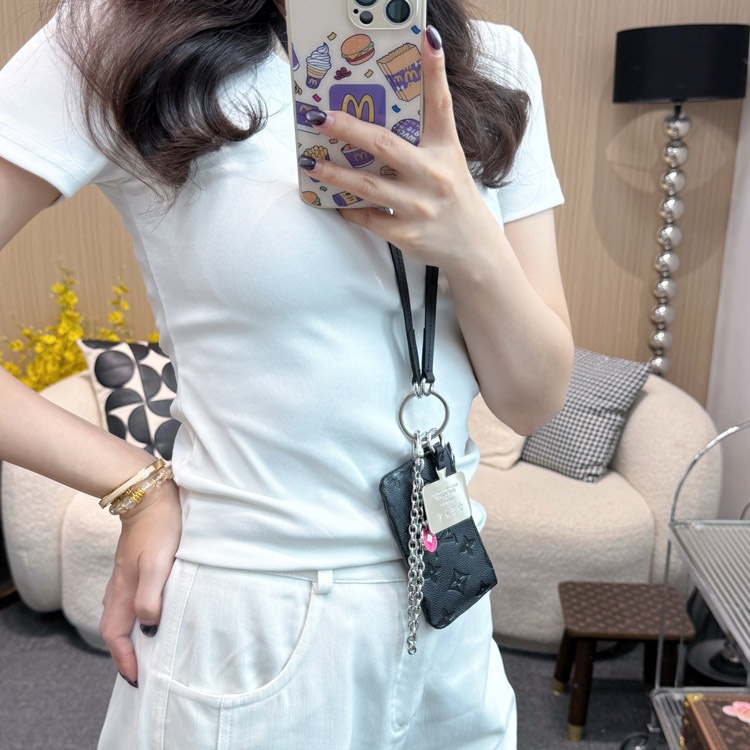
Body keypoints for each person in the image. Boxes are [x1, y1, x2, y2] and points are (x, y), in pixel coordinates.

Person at [0, 0, 573, 747]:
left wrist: (472, 241)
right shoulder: (122, 33)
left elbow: (534, 400)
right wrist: (134, 486)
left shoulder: (489, 59)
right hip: (251, 625)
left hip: (451, 619)